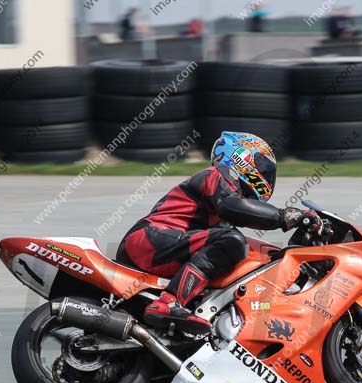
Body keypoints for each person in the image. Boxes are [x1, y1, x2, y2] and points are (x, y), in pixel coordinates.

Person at [116, 132, 320, 336]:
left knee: (247, 250)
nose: (267, 175)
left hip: (159, 244)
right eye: (263, 166)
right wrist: (283, 216)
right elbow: (231, 206)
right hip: (149, 238)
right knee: (233, 243)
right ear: (242, 156)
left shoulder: (219, 210)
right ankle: (169, 302)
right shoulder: (216, 174)